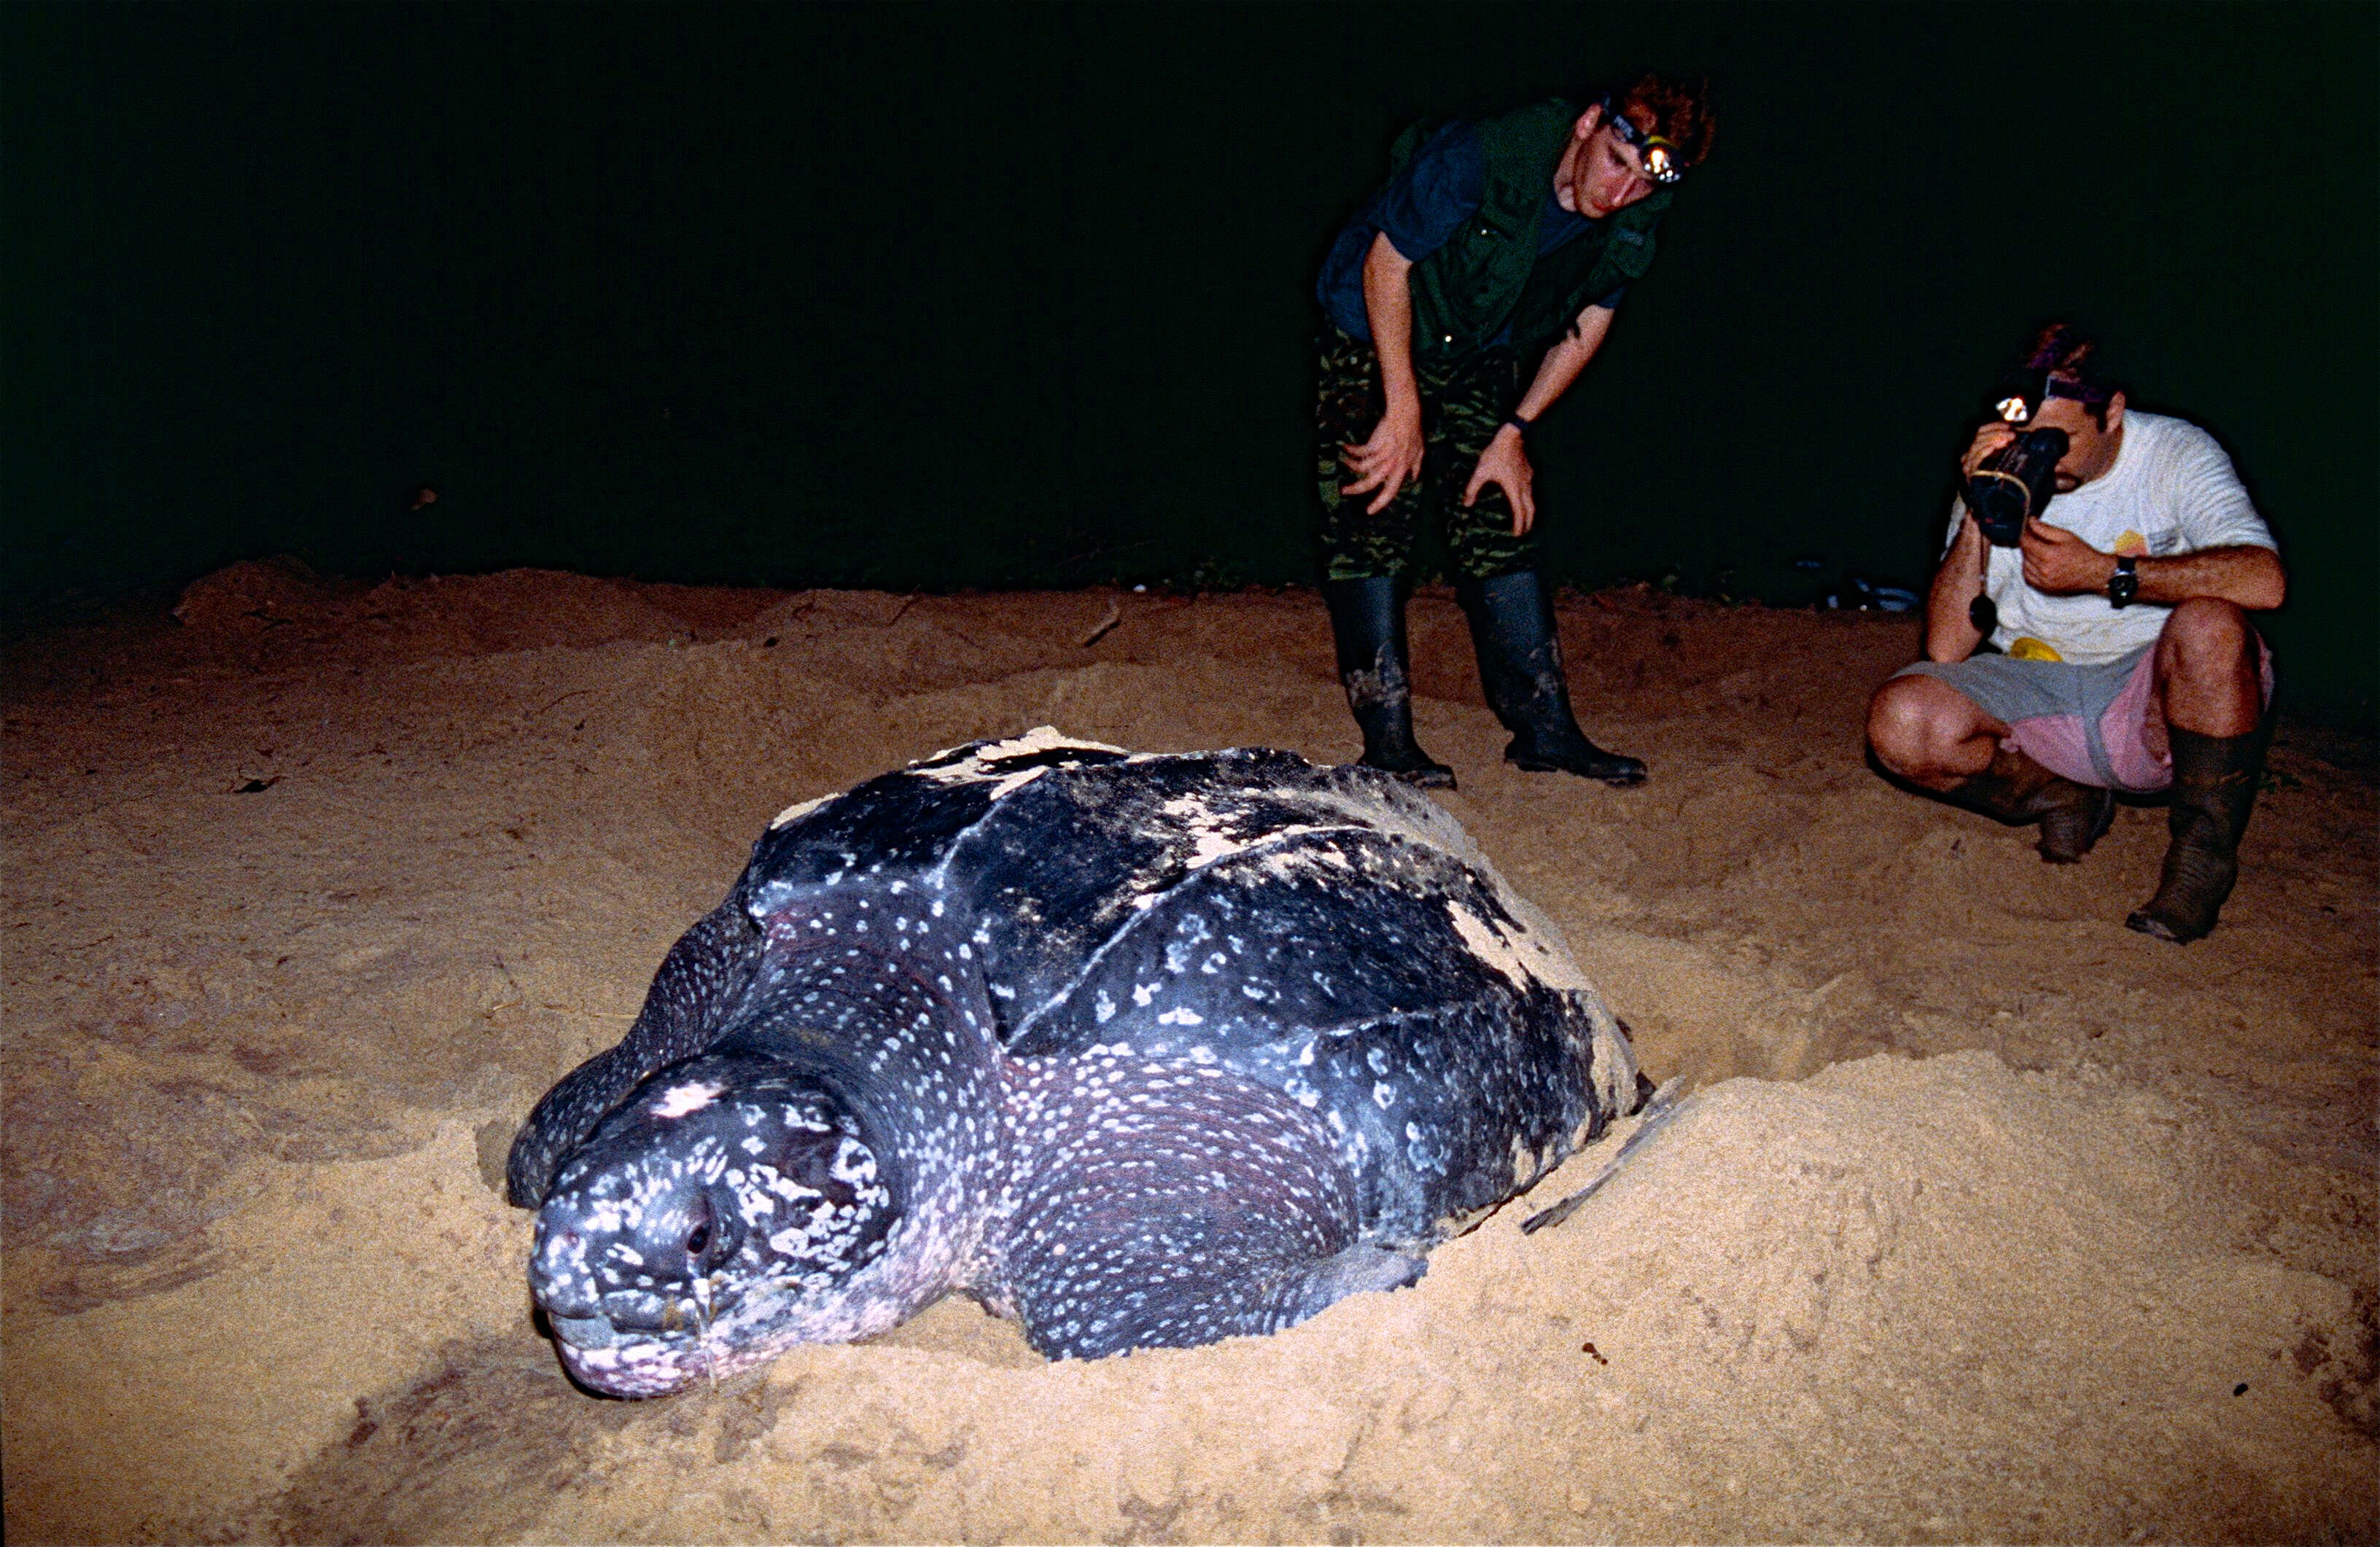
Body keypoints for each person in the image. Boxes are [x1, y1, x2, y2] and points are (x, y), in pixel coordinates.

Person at [1312, 75, 1716, 790]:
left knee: (1500, 505)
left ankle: (1546, 729)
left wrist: (1516, 429)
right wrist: (1402, 408)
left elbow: (1592, 320)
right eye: (1617, 164)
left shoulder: (1640, 208)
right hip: (1374, 317)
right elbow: (1387, 264)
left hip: (1474, 344)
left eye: (1643, 185)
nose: (1622, 194)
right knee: (1375, 494)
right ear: (1592, 123)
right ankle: (1389, 741)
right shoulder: (1484, 154)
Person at [1866, 325, 2287, 943]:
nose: (2042, 455)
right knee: (1903, 720)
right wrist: (1982, 507)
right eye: (2028, 435)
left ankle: (2202, 863)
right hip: (2038, 689)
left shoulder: (2173, 452)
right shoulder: (2004, 464)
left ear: (2112, 411)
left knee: (2211, 625)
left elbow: (2266, 580)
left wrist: (2107, 574)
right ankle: (2061, 794)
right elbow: (1947, 649)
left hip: (2148, 697)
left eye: (2057, 439)